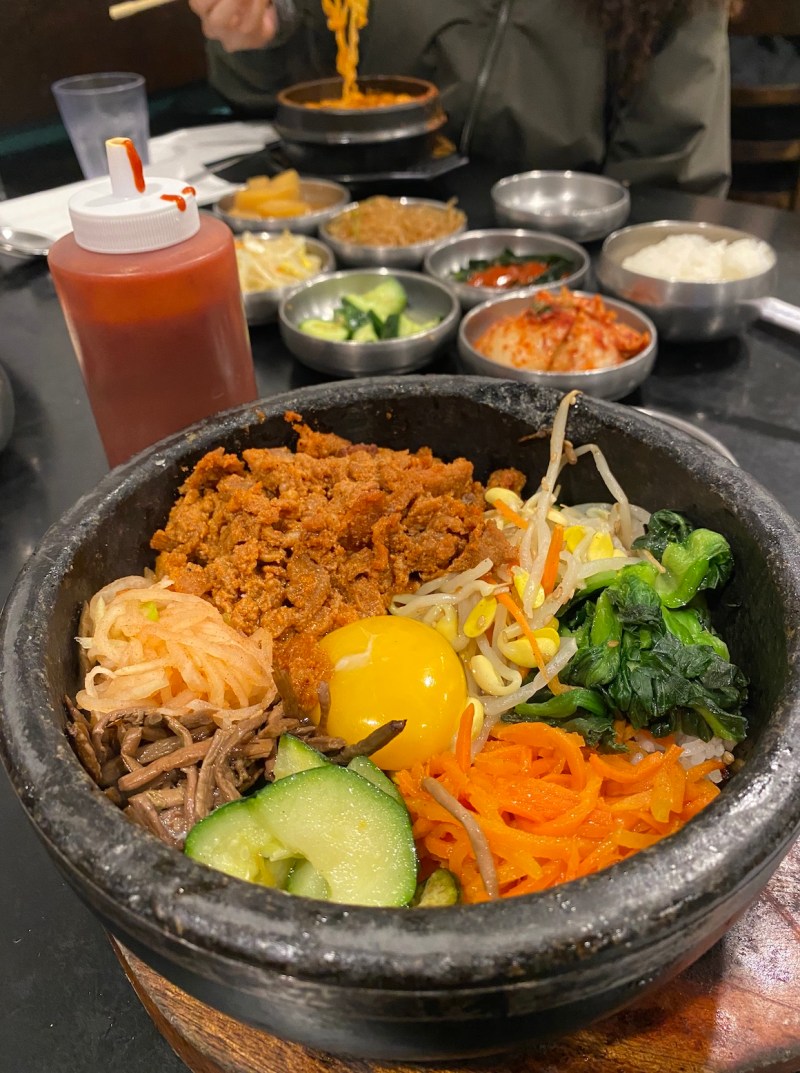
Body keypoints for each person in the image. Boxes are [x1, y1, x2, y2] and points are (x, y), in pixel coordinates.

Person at [188, 0, 732, 195]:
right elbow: (264, 90)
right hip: (359, 235)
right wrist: (251, 32)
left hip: (563, 264)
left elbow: (671, 176)